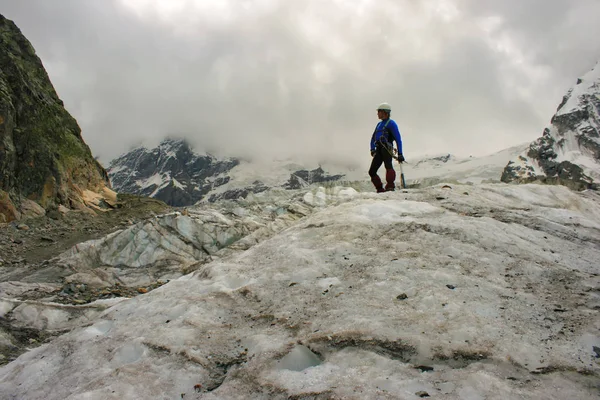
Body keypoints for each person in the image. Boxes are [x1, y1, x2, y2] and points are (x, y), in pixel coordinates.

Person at [369, 102, 404, 192]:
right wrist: (372, 149)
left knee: (388, 166)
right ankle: (380, 189)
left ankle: (390, 186)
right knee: (372, 171)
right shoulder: (379, 124)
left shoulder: (391, 124)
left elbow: (398, 139)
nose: (377, 113)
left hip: (386, 149)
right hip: (378, 149)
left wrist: (400, 153)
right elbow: (373, 138)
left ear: (384, 112)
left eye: (379, 111)